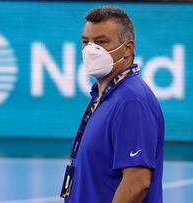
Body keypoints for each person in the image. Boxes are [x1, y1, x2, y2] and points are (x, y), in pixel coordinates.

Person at [61, 6, 164, 203]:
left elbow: (137, 182)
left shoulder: (131, 101)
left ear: (128, 48)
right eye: (85, 42)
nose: (91, 49)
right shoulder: (105, 97)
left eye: (101, 42)